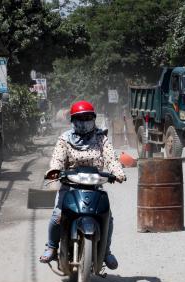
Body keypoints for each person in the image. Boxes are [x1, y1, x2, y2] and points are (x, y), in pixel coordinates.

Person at [39, 101, 126, 269]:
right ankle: (51, 246)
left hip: (94, 186)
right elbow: (57, 158)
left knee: (108, 217)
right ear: (73, 120)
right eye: (80, 118)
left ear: (94, 119)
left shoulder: (101, 138)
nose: (84, 122)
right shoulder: (65, 139)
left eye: (88, 118)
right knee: (57, 215)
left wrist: (118, 173)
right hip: (70, 185)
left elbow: (111, 159)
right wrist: (55, 170)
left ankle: (106, 251)